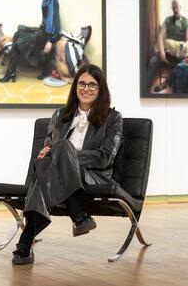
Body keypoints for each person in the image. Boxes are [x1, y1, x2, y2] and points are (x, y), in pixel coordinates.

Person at [12, 64, 123, 265]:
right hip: (59, 175)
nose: (86, 88)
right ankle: (78, 216)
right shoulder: (60, 115)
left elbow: (106, 157)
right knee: (50, 163)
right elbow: (47, 149)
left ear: (100, 89)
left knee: (61, 149)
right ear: (75, 87)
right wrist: (49, 152)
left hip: (93, 176)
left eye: (92, 85)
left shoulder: (113, 118)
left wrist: (65, 154)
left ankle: (26, 241)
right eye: (82, 83)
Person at [0, 0, 61, 83]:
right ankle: (11, 73)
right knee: (19, 32)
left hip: (47, 34)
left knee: (18, 44)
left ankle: (10, 73)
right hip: (42, 30)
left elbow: (53, 21)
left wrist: (50, 40)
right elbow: (46, 20)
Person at [146, 0, 188, 92]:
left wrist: (184, 49)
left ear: (180, 7)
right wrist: (162, 52)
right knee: (153, 61)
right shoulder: (168, 20)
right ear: (172, 8)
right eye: (173, 7)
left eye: (177, 7)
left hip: (179, 56)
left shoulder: (186, 22)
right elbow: (160, 36)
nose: (175, 9)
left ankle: (168, 87)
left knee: (183, 67)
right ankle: (144, 89)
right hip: (167, 54)